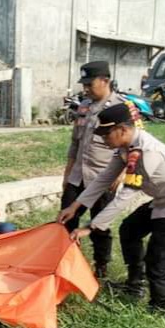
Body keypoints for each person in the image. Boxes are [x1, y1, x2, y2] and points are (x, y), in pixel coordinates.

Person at [58, 104, 165, 314]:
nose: (103, 139)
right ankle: (135, 285)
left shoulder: (146, 152)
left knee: (158, 258)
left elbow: (125, 196)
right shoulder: (126, 147)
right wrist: (75, 205)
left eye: (106, 134)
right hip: (163, 199)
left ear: (123, 130)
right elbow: (104, 178)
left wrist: (91, 227)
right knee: (129, 230)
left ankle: (160, 308)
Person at [59, 61, 126, 278]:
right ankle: (65, 261)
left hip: (104, 177)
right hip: (78, 175)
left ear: (105, 81)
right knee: (65, 219)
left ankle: (101, 268)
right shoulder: (84, 106)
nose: (86, 88)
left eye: (90, 83)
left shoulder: (123, 106)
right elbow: (75, 143)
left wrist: (123, 173)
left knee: (100, 225)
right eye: (84, 84)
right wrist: (68, 173)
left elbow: (132, 144)